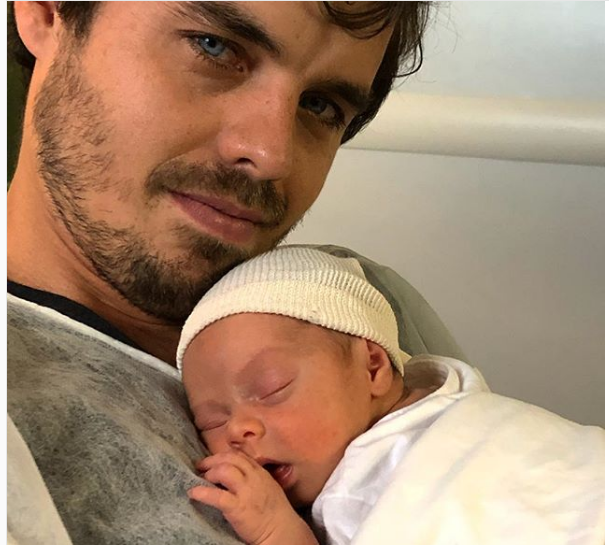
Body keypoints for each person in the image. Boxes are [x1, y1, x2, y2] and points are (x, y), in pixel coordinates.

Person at [7, 2, 444, 544]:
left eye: (320, 104)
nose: (270, 154)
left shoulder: (357, 303)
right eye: (213, 47)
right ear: (47, 12)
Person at [178, 246, 604, 545]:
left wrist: (276, 532)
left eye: (272, 388)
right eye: (212, 420)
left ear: (373, 366)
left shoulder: (453, 431)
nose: (238, 429)